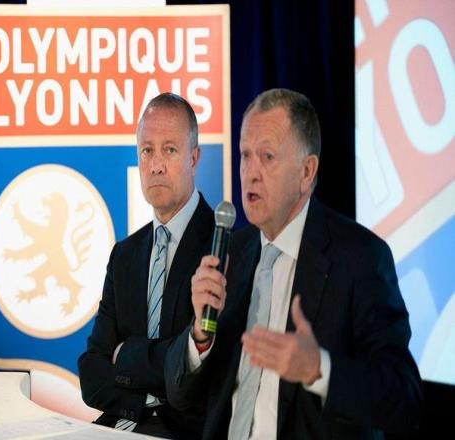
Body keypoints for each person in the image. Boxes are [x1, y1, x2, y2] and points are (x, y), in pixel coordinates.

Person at [165, 88, 422, 439]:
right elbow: (180, 396)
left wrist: (320, 368)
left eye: (267, 157)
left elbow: (404, 398)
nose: (250, 173)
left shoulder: (360, 258)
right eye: (245, 155)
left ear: (306, 171)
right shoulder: (231, 253)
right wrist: (199, 334)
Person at [78, 92, 214, 439]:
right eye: (147, 151)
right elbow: (92, 373)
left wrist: (126, 355)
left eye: (170, 150)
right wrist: (148, 396)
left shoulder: (223, 246)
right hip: (118, 425)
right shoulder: (124, 255)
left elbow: (201, 377)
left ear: (194, 157)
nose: (156, 165)